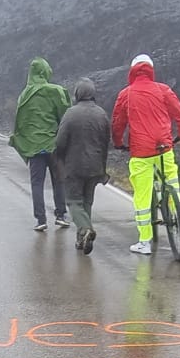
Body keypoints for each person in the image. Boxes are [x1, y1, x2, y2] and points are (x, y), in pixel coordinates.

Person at [110, 53, 180, 255]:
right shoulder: (163, 89)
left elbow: (118, 123)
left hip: (141, 151)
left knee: (142, 196)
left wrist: (118, 143)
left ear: (132, 71)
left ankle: (144, 242)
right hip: (164, 145)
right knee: (171, 178)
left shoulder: (126, 94)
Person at [8, 57, 72, 232]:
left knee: (37, 183)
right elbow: (65, 115)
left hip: (34, 146)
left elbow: (21, 121)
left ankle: (40, 219)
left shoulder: (25, 95)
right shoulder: (56, 91)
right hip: (53, 144)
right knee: (59, 180)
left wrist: (23, 140)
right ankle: (61, 215)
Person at [51, 79, 111, 255]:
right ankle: (81, 240)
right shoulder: (101, 114)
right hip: (96, 165)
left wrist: (59, 157)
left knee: (74, 202)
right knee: (87, 202)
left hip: (75, 165)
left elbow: (60, 142)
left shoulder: (71, 113)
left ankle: (85, 229)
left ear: (77, 93)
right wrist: (103, 167)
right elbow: (106, 141)